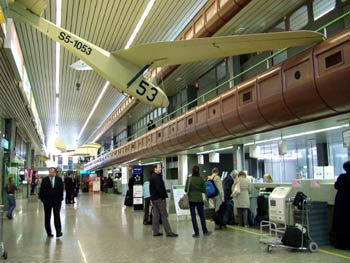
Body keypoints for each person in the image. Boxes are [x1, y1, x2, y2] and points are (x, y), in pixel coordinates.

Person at [149, 163, 178, 237]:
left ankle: (155, 231)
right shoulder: (156, 177)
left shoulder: (153, 176)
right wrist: (163, 197)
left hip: (155, 199)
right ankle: (168, 232)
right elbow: (159, 188)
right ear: (155, 169)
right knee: (164, 215)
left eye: (160, 167)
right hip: (159, 199)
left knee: (156, 216)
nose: (160, 169)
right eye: (159, 167)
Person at [185, 165, 210, 237]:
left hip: (191, 200)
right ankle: (205, 231)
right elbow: (204, 190)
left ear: (192, 171)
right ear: (198, 171)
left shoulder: (189, 179)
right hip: (199, 199)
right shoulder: (201, 179)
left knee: (193, 216)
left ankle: (196, 232)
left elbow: (186, 189)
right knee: (202, 215)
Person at [38, 167, 64, 238]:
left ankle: (58, 232)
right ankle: (49, 232)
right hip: (47, 202)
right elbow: (42, 190)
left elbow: (61, 189)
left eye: (52, 172)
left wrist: (61, 198)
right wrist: (43, 199)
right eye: (50, 172)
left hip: (57, 201)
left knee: (57, 216)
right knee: (47, 216)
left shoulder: (59, 180)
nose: (51, 173)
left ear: (55, 172)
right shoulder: (45, 180)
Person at [332, 160, 350, 249]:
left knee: (341, 223)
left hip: (342, 202)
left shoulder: (342, 177)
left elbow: (336, 186)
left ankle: (341, 244)